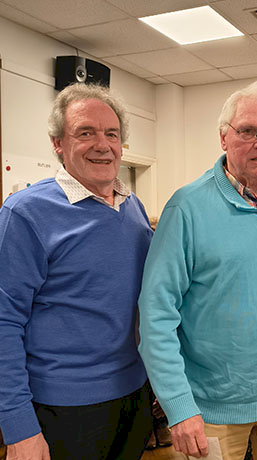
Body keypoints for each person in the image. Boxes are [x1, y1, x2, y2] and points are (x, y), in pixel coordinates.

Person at [138, 79, 257, 460]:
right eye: (248, 131)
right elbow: (155, 315)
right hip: (211, 412)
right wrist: (179, 406)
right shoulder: (186, 209)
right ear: (223, 138)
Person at [0, 83, 154, 460]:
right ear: (58, 143)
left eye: (112, 134)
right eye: (85, 133)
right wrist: (18, 427)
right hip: (62, 411)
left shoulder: (132, 207)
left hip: (133, 396)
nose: (103, 145)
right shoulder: (24, 214)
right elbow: (3, 322)